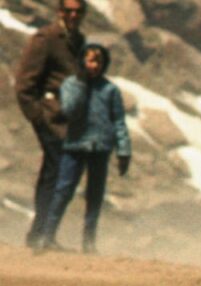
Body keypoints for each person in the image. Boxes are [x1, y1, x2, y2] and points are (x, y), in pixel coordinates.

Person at [36, 44, 131, 254]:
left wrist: (123, 151)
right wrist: (81, 84)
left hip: (100, 147)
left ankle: (89, 242)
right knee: (63, 191)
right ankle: (47, 236)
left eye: (98, 61)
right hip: (75, 145)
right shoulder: (71, 84)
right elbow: (69, 109)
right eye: (89, 60)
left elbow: (119, 122)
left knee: (95, 195)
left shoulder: (110, 90)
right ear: (82, 62)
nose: (93, 66)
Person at [13, 0, 87, 250]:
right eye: (69, 11)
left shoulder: (78, 41)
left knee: (60, 175)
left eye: (78, 11)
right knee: (57, 171)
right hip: (50, 118)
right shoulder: (46, 39)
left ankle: (43, 234)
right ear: (60, 12)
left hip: (70, 121)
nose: (73, 15)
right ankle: (41, 235)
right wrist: (38, 117)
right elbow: (24, 83)